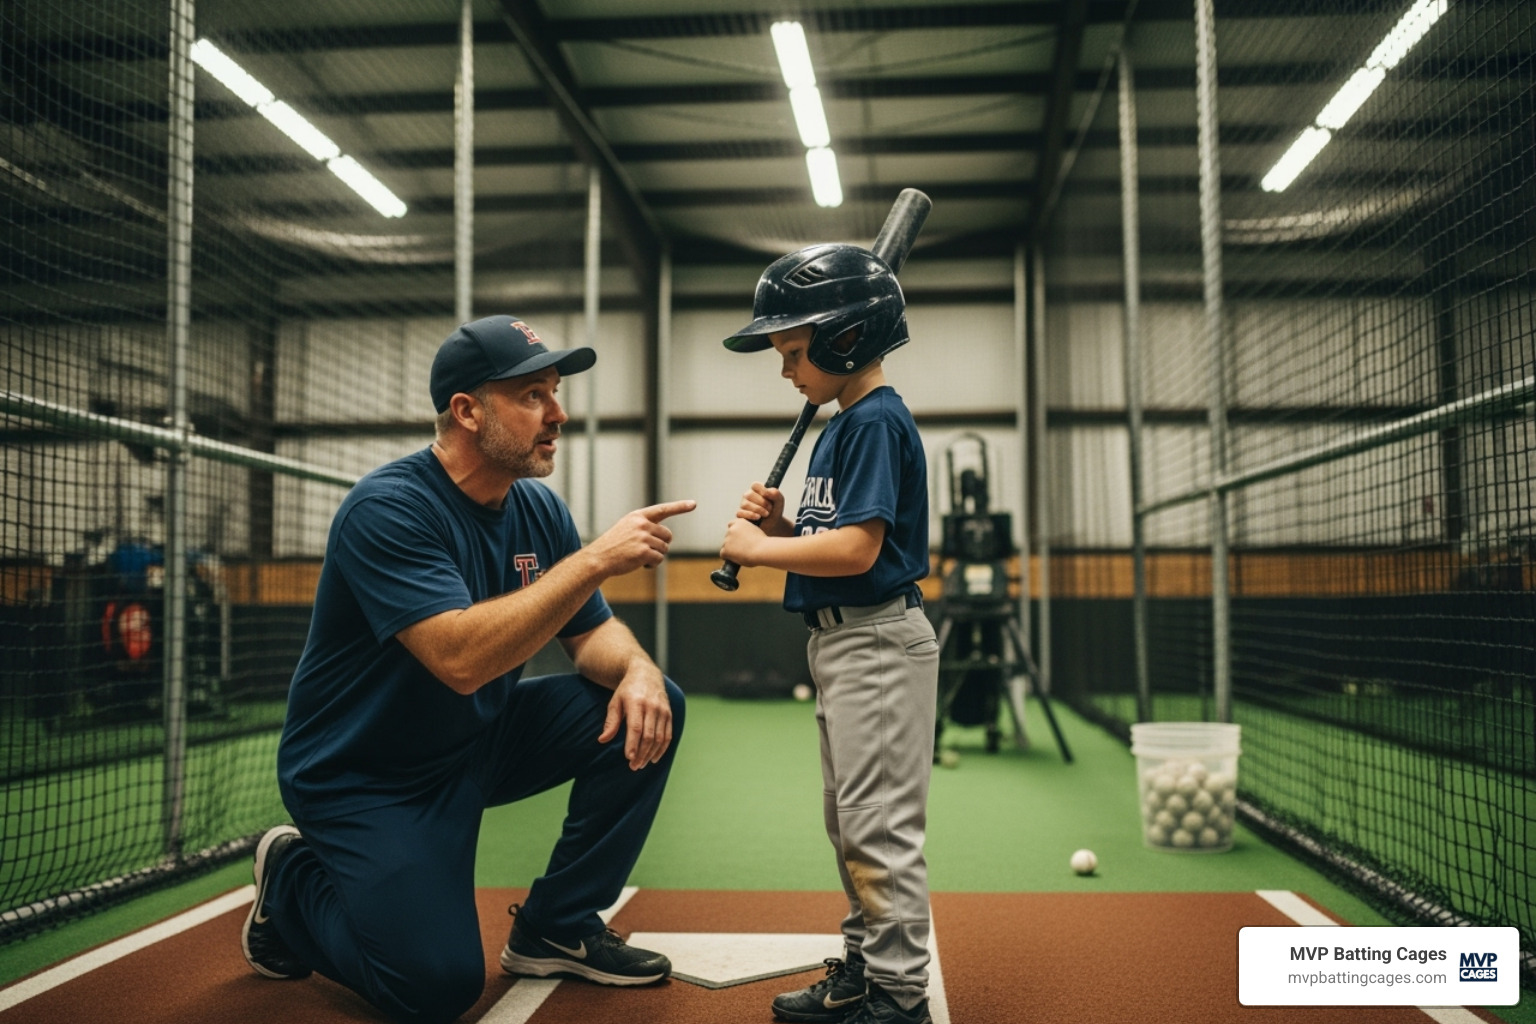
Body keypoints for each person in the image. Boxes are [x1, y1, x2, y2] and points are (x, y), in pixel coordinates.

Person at [242, 314, 695, 1024]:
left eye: (556, 392)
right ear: (467, 411)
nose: (559, 413)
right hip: (366, 776)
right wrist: (596, 558)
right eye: (533, 395)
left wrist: (635, 668)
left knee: (652, 699)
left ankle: (557, 924)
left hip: (473, 742)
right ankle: (293, 879)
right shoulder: (389, 509)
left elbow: (594, 634)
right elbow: (458, 659)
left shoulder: (537, 510)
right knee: (436, 991)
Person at [718, 244, 939, 1024]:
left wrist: (759, 549)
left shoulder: (875, 420)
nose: (787, 371)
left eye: (793, 351)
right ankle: (866, 967)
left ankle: (899, 997)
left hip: (878, 640)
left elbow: (859, 550)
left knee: (877, 828)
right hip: (845, 644)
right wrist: (786, 524)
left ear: (847, 337)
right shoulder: (845, 425)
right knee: (850, 822)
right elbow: (831, 532)